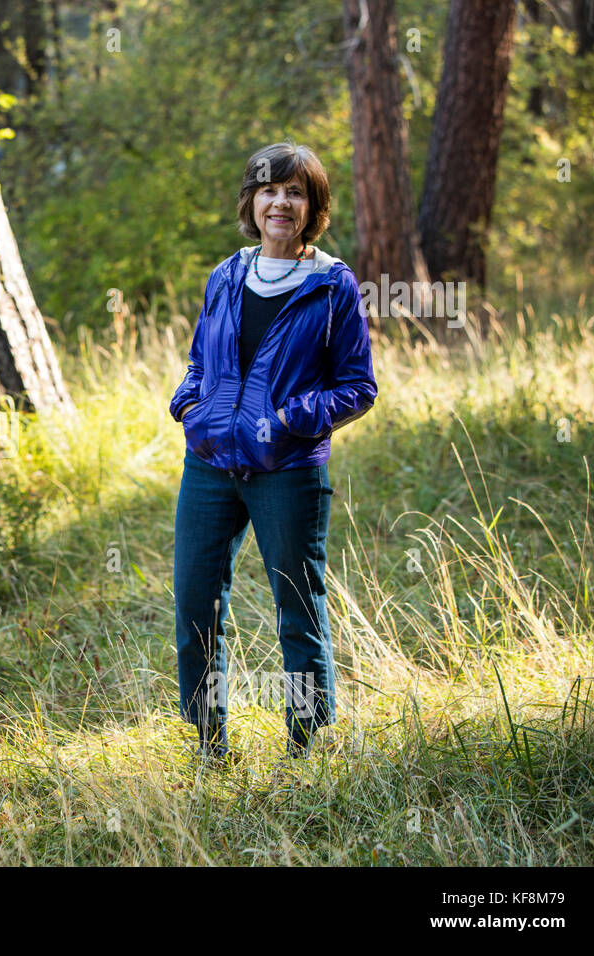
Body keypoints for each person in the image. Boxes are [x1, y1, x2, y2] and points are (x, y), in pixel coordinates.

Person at [168, 141, 377, 764]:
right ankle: (209, 749)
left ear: (312, 207)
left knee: (297, 607)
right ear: (251, 202)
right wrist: (190, 404)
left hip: (286, 471)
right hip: (209, 466)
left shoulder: (332, 285)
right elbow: (201, 362)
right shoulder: (228, 275)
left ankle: (306, 748)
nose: (279, 201)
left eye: (294, 191)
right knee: (194, 606)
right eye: (268, 190)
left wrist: (290, 419)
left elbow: (358, 387)